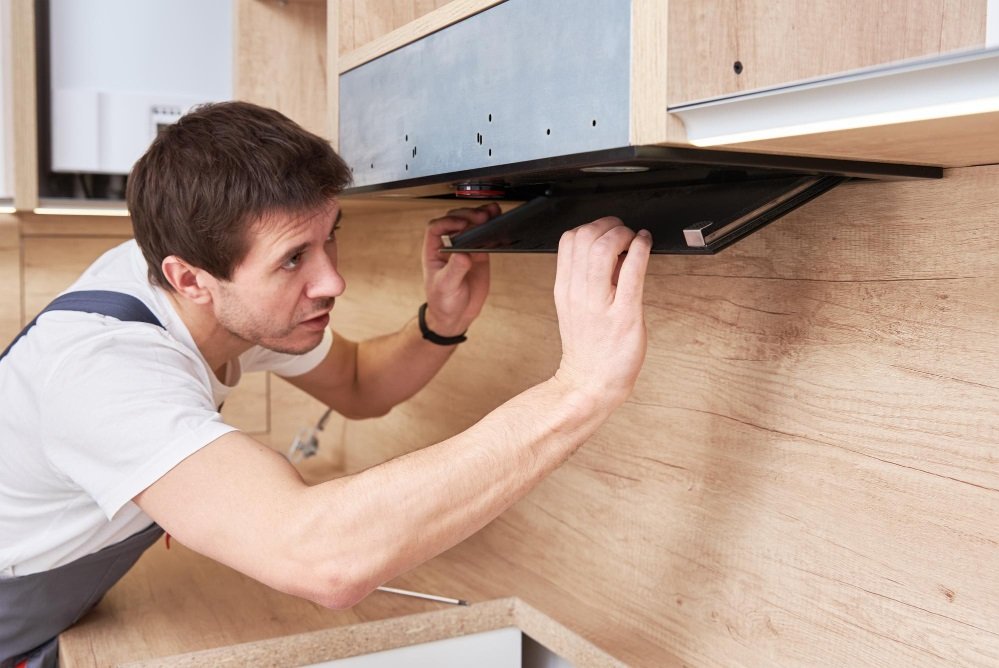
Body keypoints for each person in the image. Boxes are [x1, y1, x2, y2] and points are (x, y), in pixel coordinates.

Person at [0, 101, 651, 665]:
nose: (332, 281)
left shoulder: (205, 288)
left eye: (327, 238)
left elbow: (360, 384)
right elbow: (324, 560)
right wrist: (581, 390)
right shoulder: (104, 371)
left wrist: (440, 323)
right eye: (292, 260)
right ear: (189, 279)